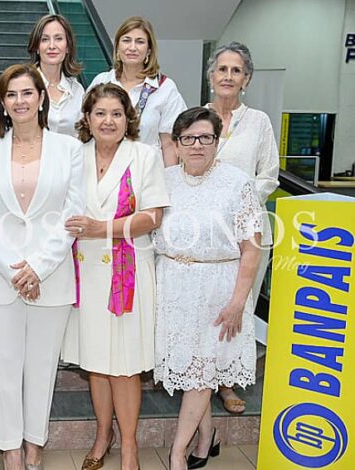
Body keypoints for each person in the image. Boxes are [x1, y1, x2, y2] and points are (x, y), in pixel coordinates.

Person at [0, 64, 84, 470]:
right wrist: (15, 270)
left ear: (41, 98)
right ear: (2, 103)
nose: (19, 101)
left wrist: (37, 267)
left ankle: (34, 440)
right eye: (11, 94)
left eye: (27, 93)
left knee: (42, 366)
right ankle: (10, 448)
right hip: (0, 277)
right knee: (2, 367)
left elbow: (72, 213)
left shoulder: (69, 148)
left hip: (50, 276)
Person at [61, 84, 169, 470]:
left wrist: (101, 229)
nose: (108, 121)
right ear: (87, 119)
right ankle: (102, 435)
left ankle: (128, 447)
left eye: (116, 114)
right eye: (100, 113)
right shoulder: (73, 156)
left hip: (128, 273)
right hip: (85, 271)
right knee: (96, 360)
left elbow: (152, 217)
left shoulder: (144, 156)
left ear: (128, 119)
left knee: (124, 365)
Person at [153, 107, 262, 470]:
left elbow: (251, 248)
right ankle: (207, 436)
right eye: (188, 138)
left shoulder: (238, 182)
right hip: (173, 288)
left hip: (218, 290)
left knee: (201, 373)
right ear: (176, 144)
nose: (197, 145)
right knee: (194, 372)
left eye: (205, 137)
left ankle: (177, 453)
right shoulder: (164, 181)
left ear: (217, 141)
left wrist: (238, 302)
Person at [204, 41, 280, 416]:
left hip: (247, 230)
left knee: (240, 302)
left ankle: (227, 382)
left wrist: (241, 204)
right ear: (211, 76)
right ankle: (201, 374)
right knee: (206, 302)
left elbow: (269, 174)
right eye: (222, 69)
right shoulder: (196, 118)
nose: (228, 76)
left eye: (236, 71)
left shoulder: (259, 122)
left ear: (246, 79)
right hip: (203, 230)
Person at [88, 17, 186, 166]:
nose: (132, 47)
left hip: (147, 170)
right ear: (117, 47)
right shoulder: (101, 82)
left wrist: (170, 178)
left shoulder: (165, 87)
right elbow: (86, 129)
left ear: (149, 50)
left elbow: (169, 144)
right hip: (105, 168)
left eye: (140, 42)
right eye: (126, 40)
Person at [27, 14, 85, 138]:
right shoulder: (24, 85)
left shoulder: (77, 90)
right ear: (37, 47)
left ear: (68, 47)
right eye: (45, 39)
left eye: (58, 39)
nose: (52, 46)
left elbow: (82, 135)